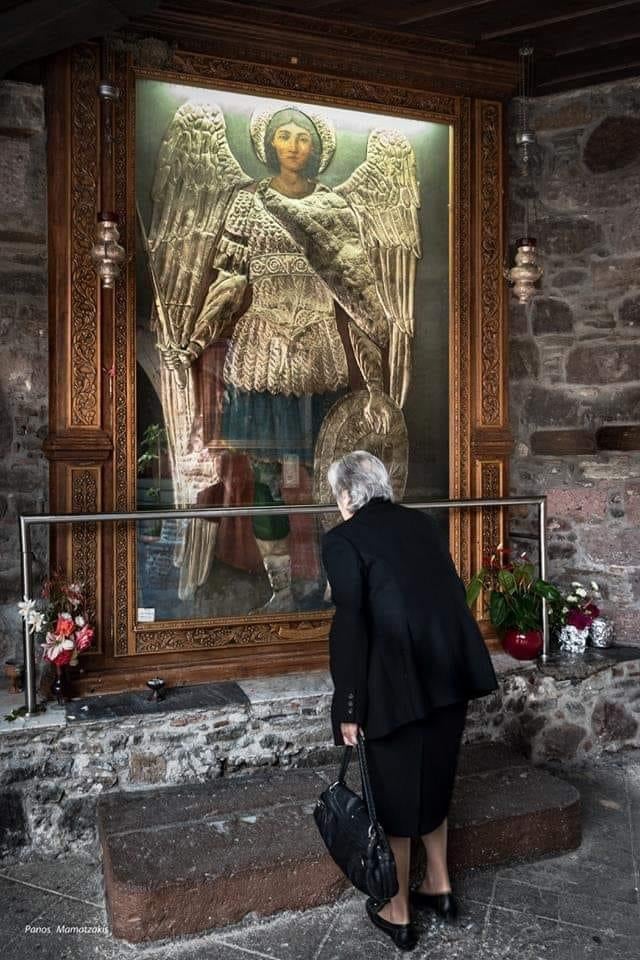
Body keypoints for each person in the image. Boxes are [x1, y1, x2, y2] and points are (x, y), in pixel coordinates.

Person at [163, 106, 390, 610]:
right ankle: (282, 589)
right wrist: (196, 338)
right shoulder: (247, 204)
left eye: (302, 137)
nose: (292, 144)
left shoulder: (334, 208)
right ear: (268, 143)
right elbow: (229, 281)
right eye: (283, 135)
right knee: (266, 484)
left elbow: (356, 292)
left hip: (319, 359)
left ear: (316, 147)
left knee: (334, 481)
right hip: (261, 356)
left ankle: (336, 584)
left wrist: (376, 368)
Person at [321, 450, 499, 951]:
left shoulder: (343, 539)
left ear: (347, 494)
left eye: (336, 494)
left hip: (392, 687)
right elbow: (449, 594)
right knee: (434, 783)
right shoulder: (422, 525)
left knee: (393, 798)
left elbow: (351, 625)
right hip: (448, 677)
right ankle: (438, 885)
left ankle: (397, 911)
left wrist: (348, 707)